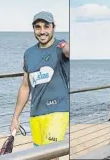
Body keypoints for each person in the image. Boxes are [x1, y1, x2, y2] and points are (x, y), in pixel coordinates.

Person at [10, 11, 69, 152]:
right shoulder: (29, 53)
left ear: (53, 27)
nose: (42, 31)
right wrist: (15, 117)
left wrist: (66, 46)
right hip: (36, 114)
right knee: (39, 154)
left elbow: (68, 51)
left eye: (46, 26)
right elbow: (25, 87)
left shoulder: (60, 47)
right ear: (34, 29)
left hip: (57, 111)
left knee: (50, 153)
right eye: (38, 27)